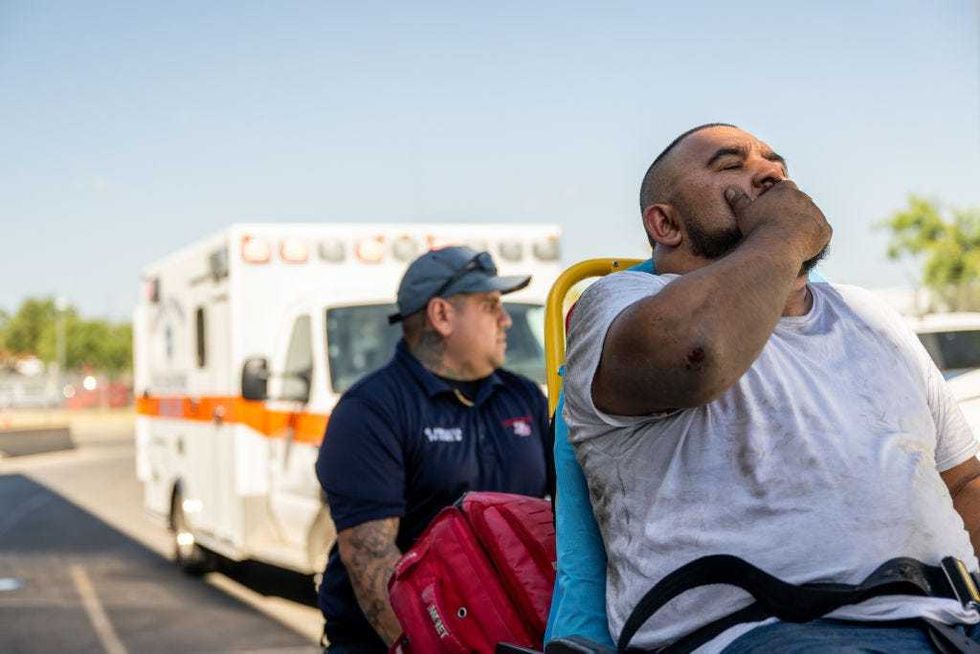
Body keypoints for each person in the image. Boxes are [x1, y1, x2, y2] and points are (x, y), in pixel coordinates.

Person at [562, 123, 980, 653]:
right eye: (730, 165)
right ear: (665, 223)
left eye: (775, 164)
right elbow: (695, 353)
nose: (770, 172)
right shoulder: (619, 302)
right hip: (768, 631)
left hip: (952, 620)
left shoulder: (869, 314)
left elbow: (964, 482)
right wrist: (784, 231)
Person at [315, 246, 550, 653]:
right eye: (490, 305)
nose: (506, 320)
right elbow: (370, 556)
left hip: (511, 640)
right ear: (442, 315)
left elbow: (564, 515)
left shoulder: (524, 397)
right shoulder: (371, 410)